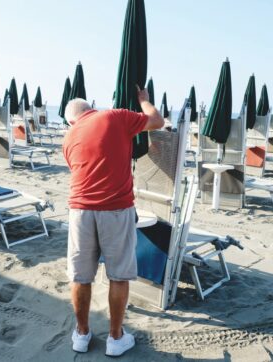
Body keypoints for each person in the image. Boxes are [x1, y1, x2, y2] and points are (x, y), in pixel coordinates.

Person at [62, 86, 164, 356]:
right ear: (89, 108)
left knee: (81, 277)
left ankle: (82, 334)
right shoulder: (115, 117)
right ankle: (115, 338)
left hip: (79, 210)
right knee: (118, 275)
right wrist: (144, 101)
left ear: (73, 120)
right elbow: (158, 121)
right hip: (115, 209)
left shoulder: (69, 136)